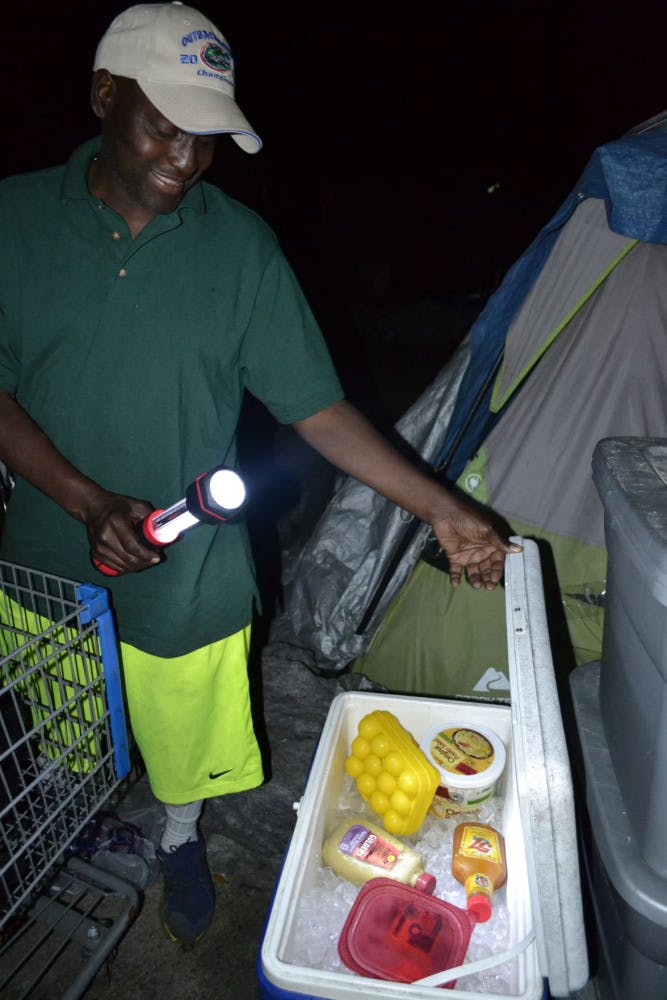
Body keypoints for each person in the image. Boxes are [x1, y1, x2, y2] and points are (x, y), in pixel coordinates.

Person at [0, 2, 518, 945]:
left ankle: (178, 839)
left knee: (189, 740)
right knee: (68, 730)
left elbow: (315, 409)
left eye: (207, 138)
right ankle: (76, 826)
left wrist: (442, 508)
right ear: (103, 95)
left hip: (190, 569)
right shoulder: (12, 220)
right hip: (44, 556)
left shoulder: (239, 249)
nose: (186, 158)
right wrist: (81, 499)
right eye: (164, 125)